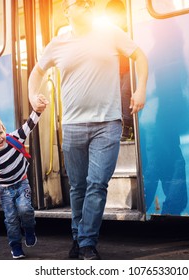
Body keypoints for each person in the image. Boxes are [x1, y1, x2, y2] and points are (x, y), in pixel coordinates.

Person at [28, 0, 148, 260]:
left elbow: (139, 55)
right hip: (72, 126)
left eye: (89, 3)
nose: (86, 6)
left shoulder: (109, 32)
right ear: (67, 10)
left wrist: (140, 89)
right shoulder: (57, 44)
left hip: (107, 124)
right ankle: (79, 237)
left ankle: (85, 243)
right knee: (78, 187)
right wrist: (32, 95)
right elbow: (37, 72)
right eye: (80, 3)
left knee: (97, 184)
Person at [0, 94, 48, 259]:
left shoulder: (15, 138)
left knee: (25, 210)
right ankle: (15, 246)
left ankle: (29, 229)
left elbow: (29, 125)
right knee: (10, 219)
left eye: (0, 132)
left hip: (22, 183)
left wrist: (37, 111)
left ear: (4, 128)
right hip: (4, 190)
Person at [105, 0, 133, 140]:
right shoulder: (110, 33)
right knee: (115, 96)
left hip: (130, 69)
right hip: (117, 71)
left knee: (124, 92)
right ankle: (120, 125)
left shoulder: (130, 29)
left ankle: (128, 126)